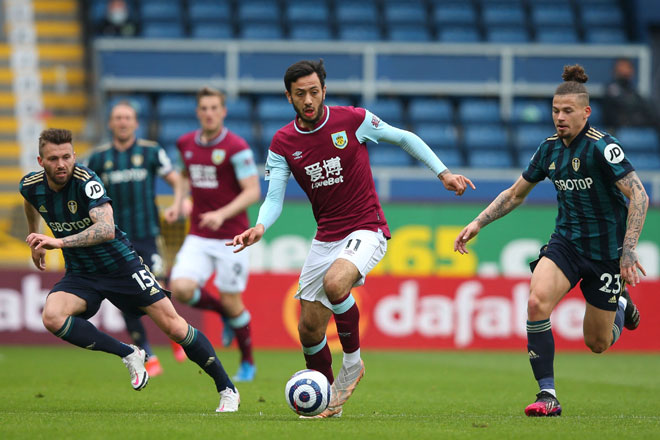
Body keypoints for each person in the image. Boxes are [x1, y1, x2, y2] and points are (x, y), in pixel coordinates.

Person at [228, 59, 475, 418]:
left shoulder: (353, 120)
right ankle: (330, 401)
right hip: (325, 236)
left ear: (324, 91)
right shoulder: (282, 143)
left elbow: (403, 137)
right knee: (309, 329)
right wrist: (261, 226)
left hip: (367, 226)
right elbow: (274, 197)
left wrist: (443, 173)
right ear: (289, 97)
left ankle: (353, 364)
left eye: (314, 92)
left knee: (335, 283)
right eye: (301, 95)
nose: (309, 100)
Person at [454, 65, 648, 417]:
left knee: (597, 343)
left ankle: (620, 303)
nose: (559, 117)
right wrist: (477, 222)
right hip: (566, 244)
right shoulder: (548, 150)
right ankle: (547, 395)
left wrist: (628, 251)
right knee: (536, 303)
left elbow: (640, 196)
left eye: (568, 111)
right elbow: (515, 194)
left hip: (606, 254)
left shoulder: (603, 148)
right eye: (556, 110)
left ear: (586, 112)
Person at [20, 128, 240, 413]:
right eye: (53, 159)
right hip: (82, 272)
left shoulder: (87, 182)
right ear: (41, 161)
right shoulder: (31, 185)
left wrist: (57, 241)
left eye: (66, 157)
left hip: (121, 265)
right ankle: (129, 353)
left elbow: (106, 228)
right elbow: (31, 201)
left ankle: (227, 389)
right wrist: (33, 238)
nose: (61, 164)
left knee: (175, 327)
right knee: (52, 316)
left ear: (74, 156)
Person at [85, 101, 185, 376]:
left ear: (135, 123)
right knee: (126, 295)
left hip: (147, 234)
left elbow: (176, 180)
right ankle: (148, 355)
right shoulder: (98, 158)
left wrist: (177, 203)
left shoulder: (150, 151)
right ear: (110, 123)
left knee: (158, 286)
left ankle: (176, 334)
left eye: (127, 117)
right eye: (118, 117)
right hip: (114, 239)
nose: (123, 122)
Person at [169, 86, 260, 382]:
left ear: (223, 111)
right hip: (198, 233)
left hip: (231, 236)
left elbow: (253, 191)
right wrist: (178, 201)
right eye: (204, 108)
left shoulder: (236, 147)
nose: (209, 113)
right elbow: (184, 175)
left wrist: (222, 213)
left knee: (234, 302)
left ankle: (247, 361)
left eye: (214, 108)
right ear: (198, 112)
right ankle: (223, 314)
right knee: (180, 288)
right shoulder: (185, 143)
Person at [602, 58, 659, 130]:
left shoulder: (632, 91)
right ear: (615, 70)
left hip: (639, 122)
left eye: (627, 67)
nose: (625, 70)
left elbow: (644, 106)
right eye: (622, 67)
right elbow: (615, 110)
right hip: (620, 126)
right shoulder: (611, 88)